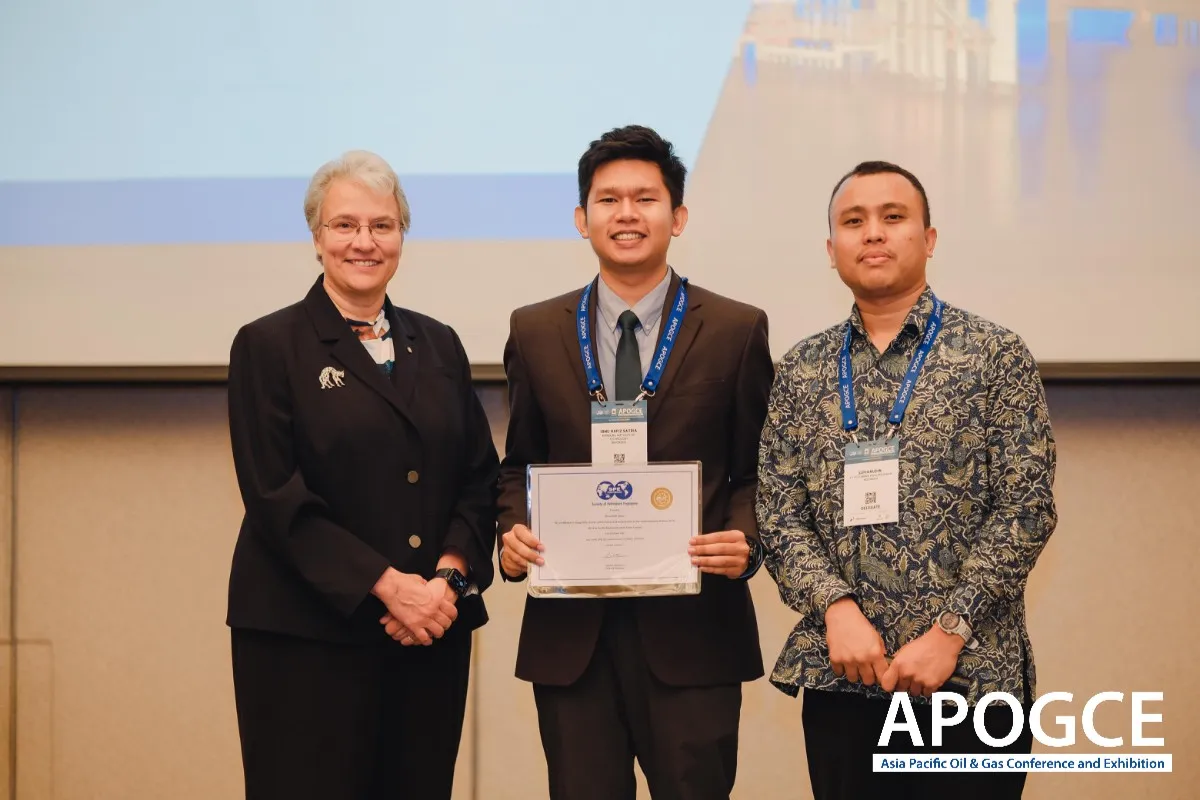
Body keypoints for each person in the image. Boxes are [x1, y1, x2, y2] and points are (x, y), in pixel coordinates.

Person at [756, 160, 1057, 799]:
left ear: (929, 236)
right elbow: (779, 513)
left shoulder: (993, 353)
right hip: (845, 679)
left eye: (893, 218)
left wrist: (950, 630)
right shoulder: (804, 368)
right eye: (853, 221)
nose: (873, 234)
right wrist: (835, 610)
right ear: (830, 246)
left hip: (971, 677)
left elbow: (1026, 507)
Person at [496, 125, 774, 800]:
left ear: (677, 217)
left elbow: (759, 472)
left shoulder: (737, 329)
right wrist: (510, 533)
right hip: (573, 639)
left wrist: (746, 539)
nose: (626, 213)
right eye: (608, 199)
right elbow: (517, 466)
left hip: (694, 633)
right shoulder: (534, 330)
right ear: (581, 218)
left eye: (645, 199)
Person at [225, 150, 499, 800]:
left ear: (402, 236)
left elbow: (478, 478)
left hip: (428, 633)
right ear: (316, 238)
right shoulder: (268, 346)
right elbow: (275, 496)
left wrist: (446, 582)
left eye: (382, 225)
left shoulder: (440, 344)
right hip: (306, 637)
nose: (364, 242)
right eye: (345, 225)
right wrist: (388, 587)